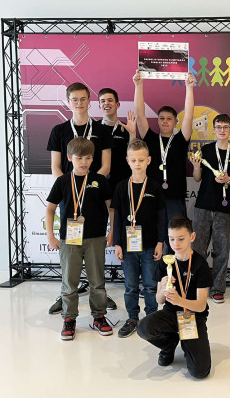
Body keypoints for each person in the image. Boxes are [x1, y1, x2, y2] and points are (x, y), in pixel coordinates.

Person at [47, 82, 116, 315]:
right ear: (68, 102)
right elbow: (56, 167)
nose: (79, 103)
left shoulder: (102, 130)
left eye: (83, 98)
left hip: (95, 193)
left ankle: (100, 299)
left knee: (95, 257)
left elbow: (105, 166)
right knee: (71, 260)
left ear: (89, 101)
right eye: (74, 99)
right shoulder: (58, 130)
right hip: (70, 197)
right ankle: (66, 298)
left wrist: (90, 184)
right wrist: (68, 187)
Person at [45, 138, 114, 340]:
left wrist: (112, 232)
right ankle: (69, 319)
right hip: (69, 240)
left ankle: (99, 316)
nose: (83, 162)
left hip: (95, 238)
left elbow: (111, 208)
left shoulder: (99, 181)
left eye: (88, 158)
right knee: (69, 282)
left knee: (97, 281)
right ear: (69, 158)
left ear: (93, 158)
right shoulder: (62, 181)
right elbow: (50, 209)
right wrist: (50, 235)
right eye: (79, 158)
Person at [137, 216, 212, 379]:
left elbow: (201, 306)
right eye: (171, 239)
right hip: (171, 313)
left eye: (181, 239)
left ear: (192, 237)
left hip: (193, 316)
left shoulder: (200, 265)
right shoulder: (166, 262)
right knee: (143, 328)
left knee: (200, 372)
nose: (175, 244)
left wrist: (179, 300)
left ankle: (187, 341)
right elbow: (159, 300)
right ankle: (169, 345)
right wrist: (163, 289)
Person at [133, 70, 195, 253]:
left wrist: (189, 88)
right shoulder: (150, 138)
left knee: (176, 237)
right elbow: (140, 115)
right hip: (152, 195)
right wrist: (139, 86)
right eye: (161, 119)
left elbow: (189, 115)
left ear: (176, 121)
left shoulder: (181, 139)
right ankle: (156, 269)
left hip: (175, 198)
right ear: (158, 121)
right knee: (154, 236)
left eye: (169, 119)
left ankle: (174, 268)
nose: (165, 122)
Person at [112, 139, 166, 338]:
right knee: (130, 286)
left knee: (151, 285)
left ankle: (151, 317)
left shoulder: (154, 187)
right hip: (128, 246)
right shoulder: (121, 187)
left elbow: (162, 216)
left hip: (150, 245)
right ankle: (132, 317)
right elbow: (118, 217)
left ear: (148, 160)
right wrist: (117, 243)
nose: (137, 164)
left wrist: (160, 242)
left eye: (141, 160)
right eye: (133, 160)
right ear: (128, 161)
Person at [189, 114, 230, 303]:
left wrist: (229, 179)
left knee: (222, 251)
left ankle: (218, 289)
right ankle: (197, 286)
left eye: (225, 127)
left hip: (225, 210)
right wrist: (196, 167)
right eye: (219, 127)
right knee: (197, 250)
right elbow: (197, 178)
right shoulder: (205, 150)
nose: (222, 130)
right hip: (203, 207)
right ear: (213, 130)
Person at [97, 88, 137, 191]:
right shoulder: (93, 128)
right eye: (103, 101)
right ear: (99, 106)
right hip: (98, 181)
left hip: (121, 181)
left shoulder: (127, 128)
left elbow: (133, 155)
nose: (106, 103)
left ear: (117, 104)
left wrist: (132, 134)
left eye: (110, 100)